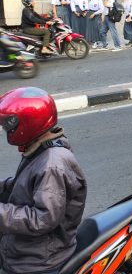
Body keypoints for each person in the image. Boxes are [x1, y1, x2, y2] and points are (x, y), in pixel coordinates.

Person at [0, 87, 87, 274]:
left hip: (39, 259)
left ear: (28, 123)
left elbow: (42, 219)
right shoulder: (38, 147)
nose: (6, 128)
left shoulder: (52, 164)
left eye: (9, 123)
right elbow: (23, 186)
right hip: (26, 246)